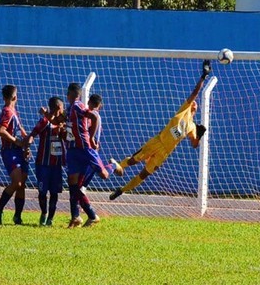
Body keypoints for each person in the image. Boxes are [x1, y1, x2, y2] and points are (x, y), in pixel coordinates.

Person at [111, 60, 212, 200]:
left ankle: (122, 190)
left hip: (165, 152)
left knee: (144, 174)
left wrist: (200, 136)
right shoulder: (184, 110)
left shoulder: (192, 127)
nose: (195, 103)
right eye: (193, 102)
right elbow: (195, 92)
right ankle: (117, 166)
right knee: (135, 160)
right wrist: (203, 76)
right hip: (157, 142)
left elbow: (194, 144)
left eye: (196, 104)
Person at [65, 84, 107, 228]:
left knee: (103, 175)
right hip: (73, 150)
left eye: (68, 94)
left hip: (84, 149)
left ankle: (114, 165)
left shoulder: (77, 106)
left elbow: (94, 116)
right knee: (73, 184)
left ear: (71, 94)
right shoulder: (70, 108)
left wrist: (92, 138)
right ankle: (76, 216)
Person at [0, 84, 30, 225]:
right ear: (15, 96)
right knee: (17, 182)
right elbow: (1, 130)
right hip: (10, 151)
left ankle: (17, 216)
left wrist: (26, 142)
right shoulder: (7, 111)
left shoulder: (14, 111)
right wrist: (17, 142)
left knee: (22, 184)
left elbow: (20, 129)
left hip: (18, 151)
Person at [30, 96, 67, 226]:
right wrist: (27, 144)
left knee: (54, 192)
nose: (63, 110)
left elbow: (68, 137)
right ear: (58, 108)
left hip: (56, 165)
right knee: (42, 192)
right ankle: (44, 213)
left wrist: (63, 131)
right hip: (43, 164)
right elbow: (33, 134)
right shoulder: (45, 122)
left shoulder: (63, 122)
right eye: (62, 108)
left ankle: (51, 217)